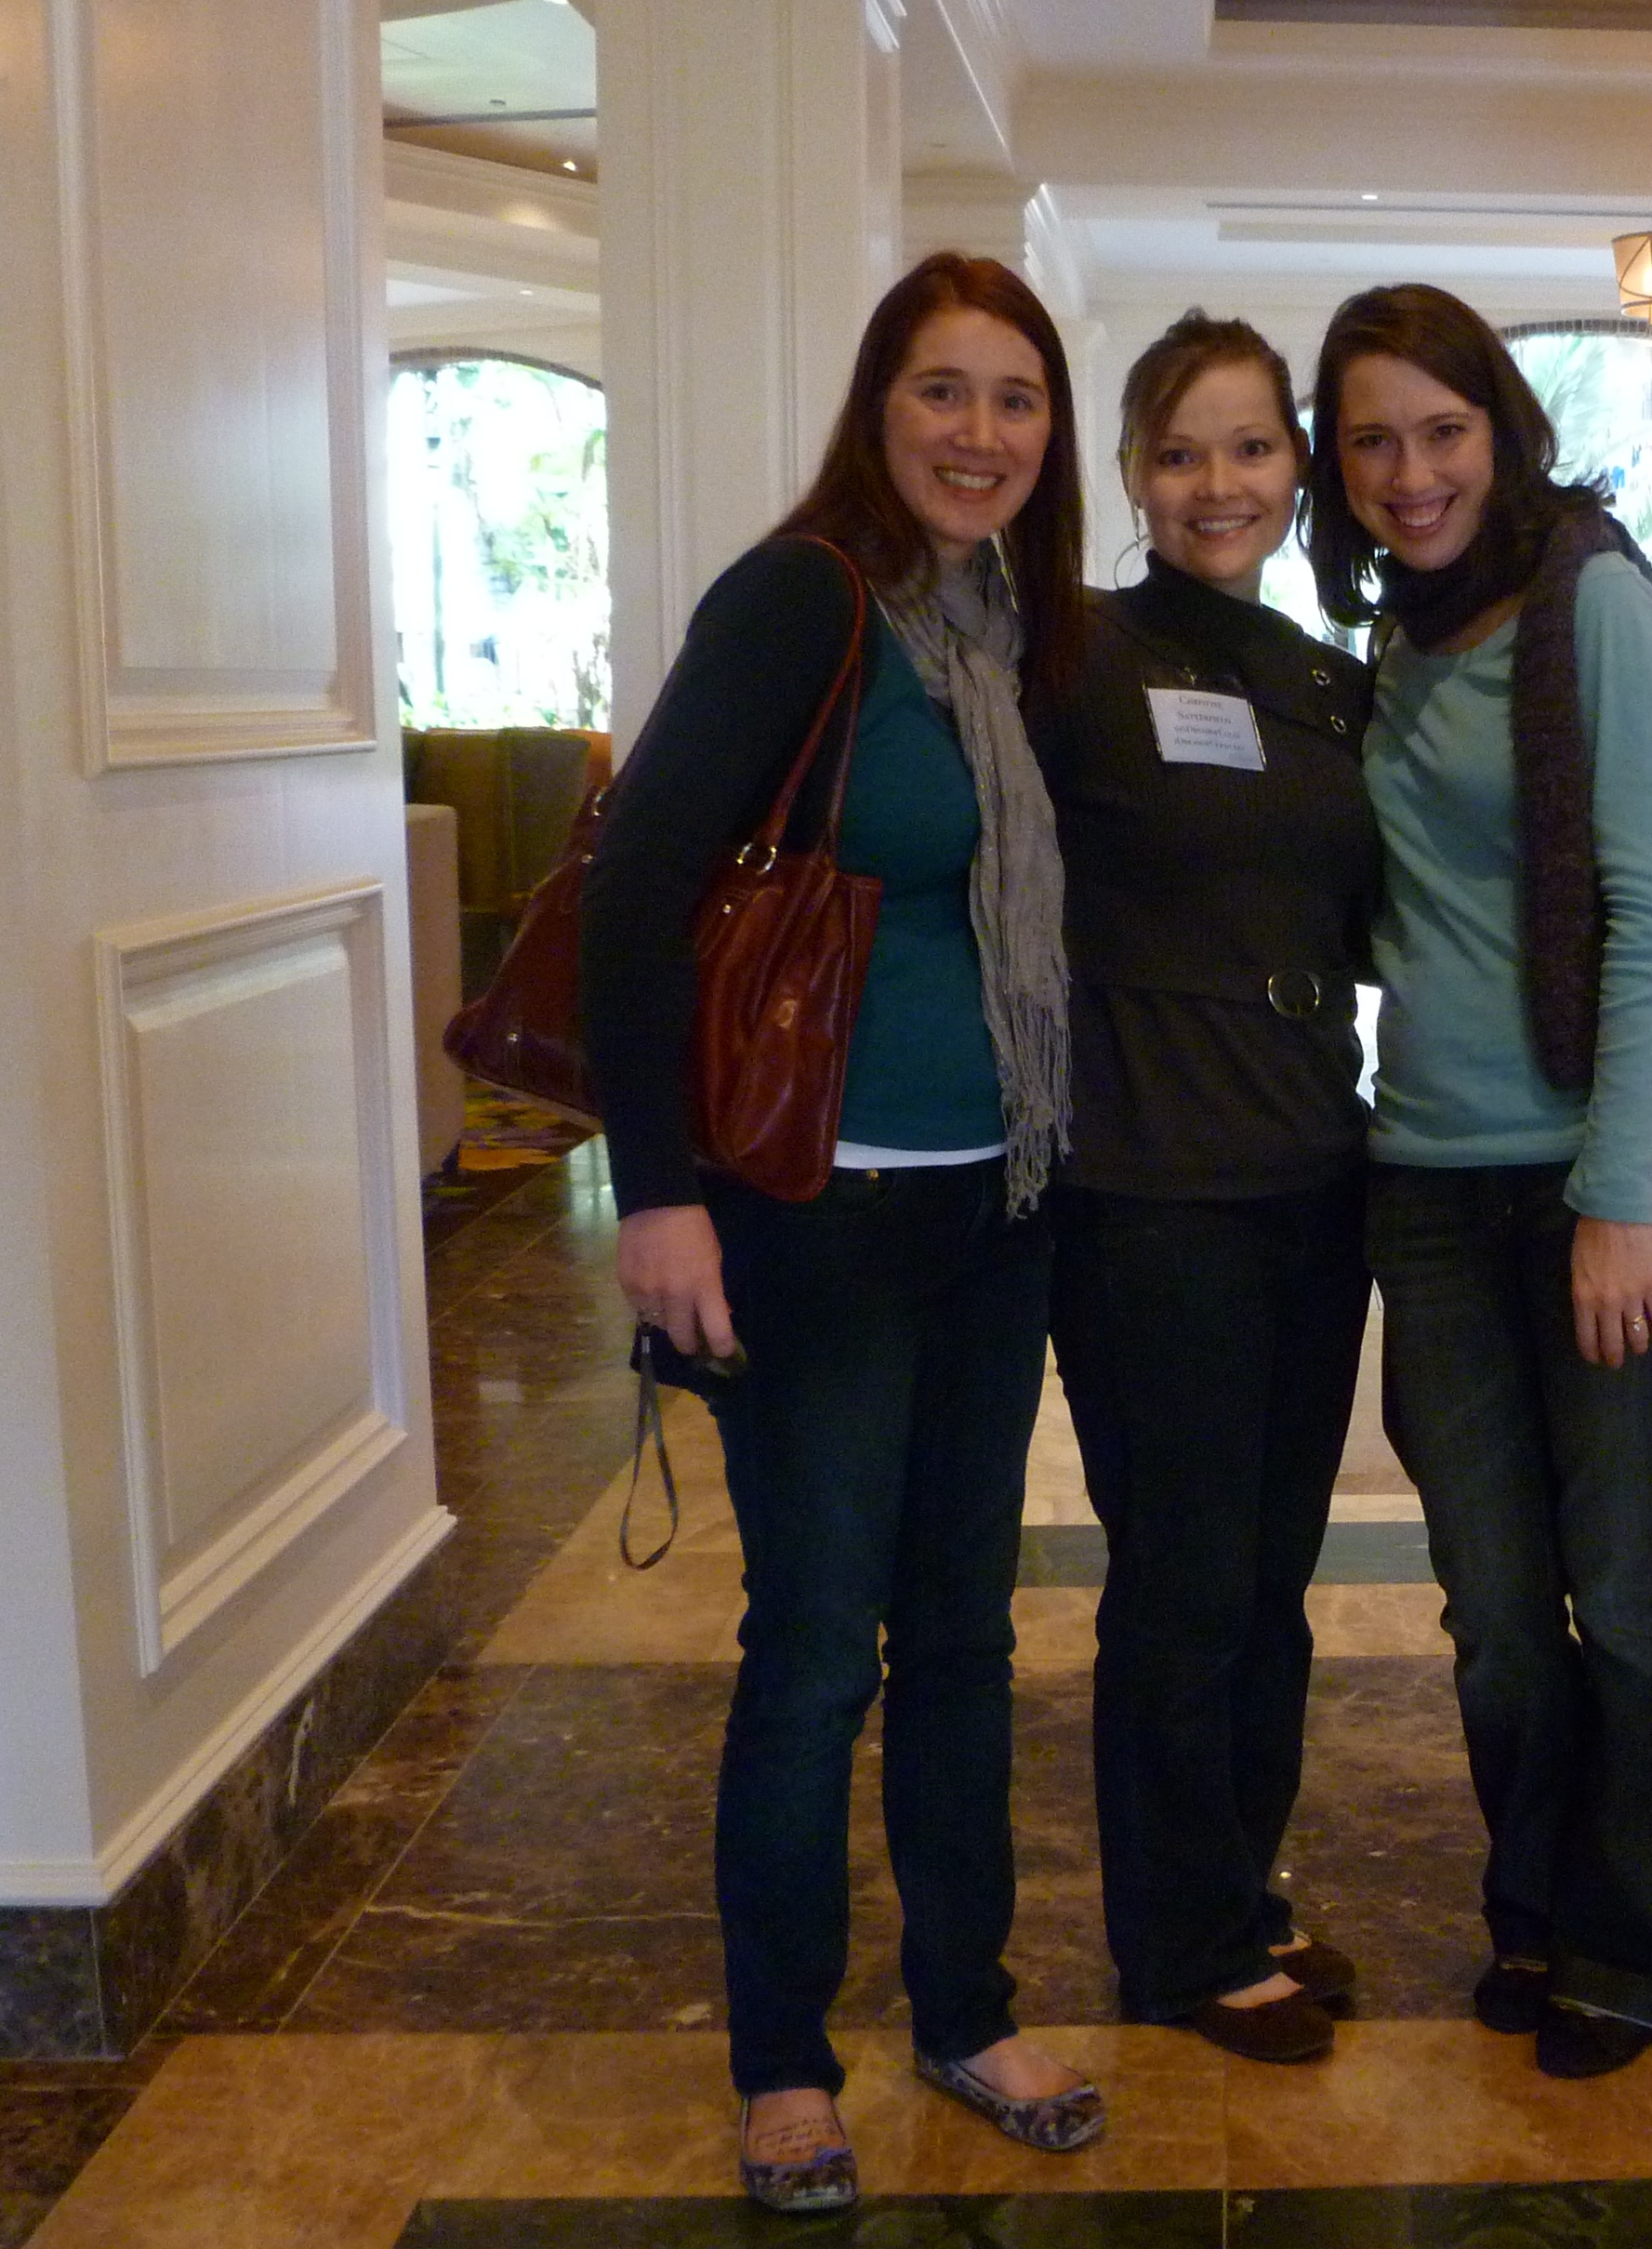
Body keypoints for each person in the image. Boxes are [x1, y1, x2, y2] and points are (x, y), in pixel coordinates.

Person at [579, 252, 1102, 2214]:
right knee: (814, 1649)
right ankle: (783, 2062)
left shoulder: (1010, 631)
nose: (979, 433)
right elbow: (636, 890)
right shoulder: (802, 598)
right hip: (815, 1218)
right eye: (941, 391)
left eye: (1015, 400)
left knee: (962, 1633)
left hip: (993, 1205)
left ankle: (963, 2007)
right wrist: (658, 1194)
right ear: (878, 407)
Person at [1306, 284, 1652, 2081]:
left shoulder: (1596, 601)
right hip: (1429, 1181)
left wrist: (1614, 1197)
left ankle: (1646, 1948)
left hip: (1622, 1179)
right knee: (1495, 1610)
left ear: (1498, 432)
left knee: (1623, 1586)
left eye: (1440, 431)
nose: (1408, 472)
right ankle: (1540, 1904)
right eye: (1369, 440)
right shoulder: (1394, 640)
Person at [1035, 312, 1378, 2063]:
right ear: (1130, 476)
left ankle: (1239, 1886)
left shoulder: (1328, 682)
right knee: (1180, 1582)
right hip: (1147, 1190)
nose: (1216, 484)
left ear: (1295, 469)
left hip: (1314, 1174)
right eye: (1179, 453)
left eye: (1249, 448)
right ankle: (1178, 1946)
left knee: (1269, 1577)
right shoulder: (1076, 657)